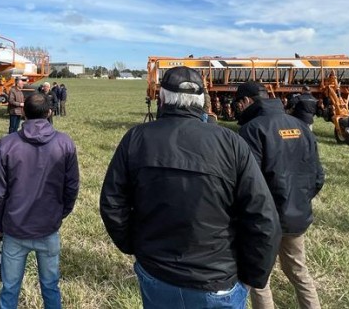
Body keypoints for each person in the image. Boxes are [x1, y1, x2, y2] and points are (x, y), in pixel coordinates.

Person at [100, 66, 281, 309]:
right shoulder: (231, 143)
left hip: (157, 272)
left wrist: (135, 246)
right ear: (201, 102)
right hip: (217, 280)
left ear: (162, 98)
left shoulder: (136, 138)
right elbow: (263, 218)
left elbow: (112, 204)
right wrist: (252, 277)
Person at [235, 81, 325, 309]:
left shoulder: (252, 130)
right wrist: (299, 201)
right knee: (298, 270)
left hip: (263, 219)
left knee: (259, 278)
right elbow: (318, 175)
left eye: (239, 104)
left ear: (246, 101)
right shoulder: (300, 126)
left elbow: (249, 181)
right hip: (296, 215)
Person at [0, 92, 80, 308]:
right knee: (50, 286)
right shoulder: (64, 142)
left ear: (23, 112)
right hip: (48, 227)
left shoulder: (7, 144)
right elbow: (72, 186)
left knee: (9, 288)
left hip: (15, 227)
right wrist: (60, 213)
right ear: (50, 112)